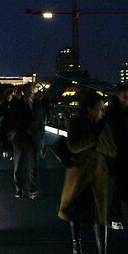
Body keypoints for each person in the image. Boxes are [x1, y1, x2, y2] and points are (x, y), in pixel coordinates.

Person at [58, 92, 116, 254]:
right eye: (100, 109)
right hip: (79, 175)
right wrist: (96, 140)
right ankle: (77, 245)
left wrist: (94, 142)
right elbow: (74, 146)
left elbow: (111, 149)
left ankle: (102, 250)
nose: (103, 112)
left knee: (100, 216)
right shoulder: (76, 123)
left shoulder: (105, 126)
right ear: (90, 109)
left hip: (98, 175)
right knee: (76, 211)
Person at [8, 83, 46, 199]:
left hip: (34, 139)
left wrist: (41, 139)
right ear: (23, 91)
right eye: (28, 89)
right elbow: (12, 120)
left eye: (32, 89)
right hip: (20, 139)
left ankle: (33, 189)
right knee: (19, 166)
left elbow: (41, 123)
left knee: (34, 166)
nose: (30, 91)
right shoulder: (16, 104)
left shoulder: (38, 105)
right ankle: (19, 189)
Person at [106, 84, 128, 230]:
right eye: (124, 95)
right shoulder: (111, 112)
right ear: (118, 95)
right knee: (118, 186)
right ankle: (115, 217)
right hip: (117, 154)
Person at [0, 90, 13, 159]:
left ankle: (10, 150)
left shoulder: (13, 104)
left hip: (11, 122)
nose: (9, 98)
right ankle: (5, 149)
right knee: (5, 136)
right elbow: (1, 113)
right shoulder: (3, 104)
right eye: (8, 97)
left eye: (10, 97)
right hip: (5, 122)